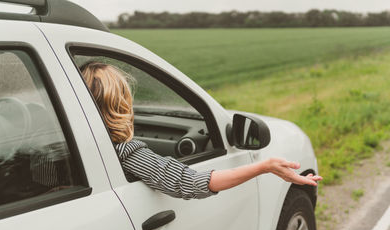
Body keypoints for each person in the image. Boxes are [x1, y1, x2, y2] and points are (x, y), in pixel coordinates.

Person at [80, 62, 322, 199]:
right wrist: (264, 166)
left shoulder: (58, 146)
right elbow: (192, 182)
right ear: (121, 104)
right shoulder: (126, 154)